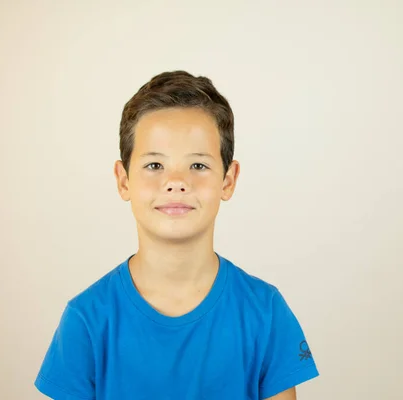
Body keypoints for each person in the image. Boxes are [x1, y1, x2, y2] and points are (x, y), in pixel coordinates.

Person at [34, 71, 319, 399]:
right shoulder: (86, 320)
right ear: (123, 180)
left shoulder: (265, 312)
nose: (176, 181)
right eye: (155, 166)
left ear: (228, 180)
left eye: (198, 166)